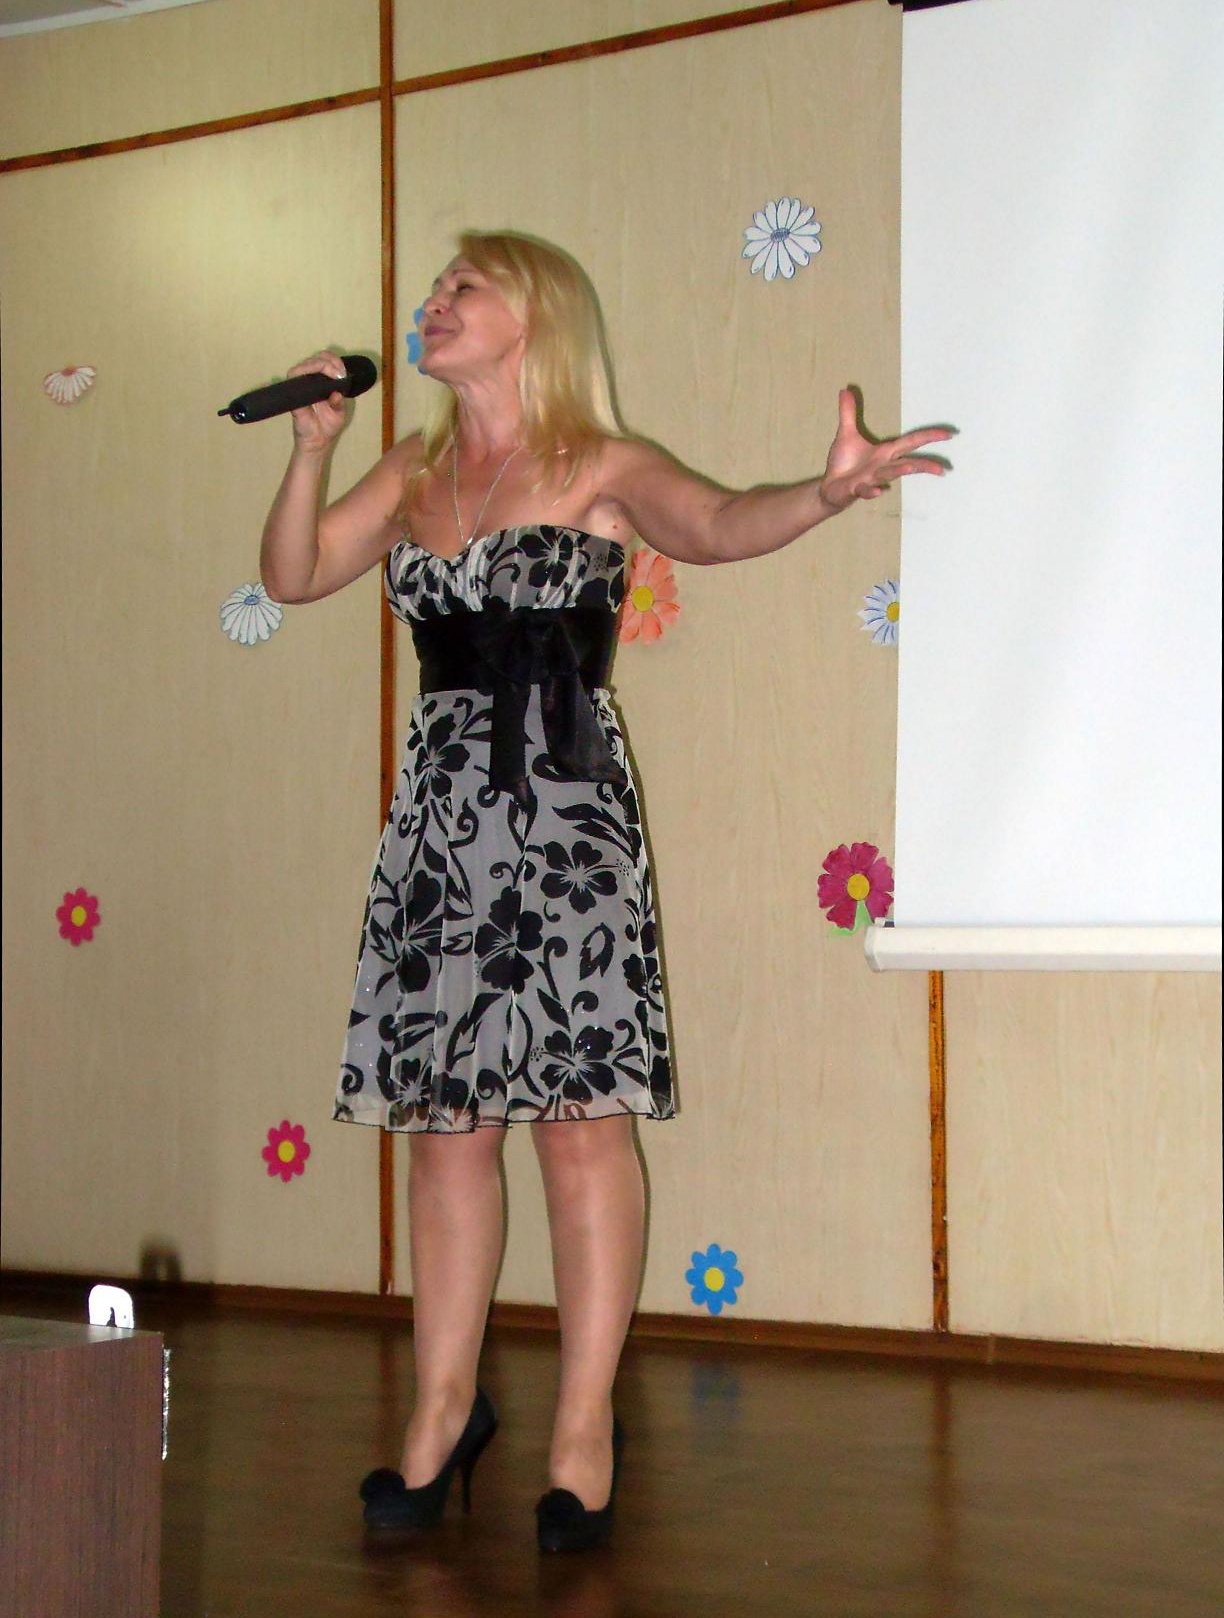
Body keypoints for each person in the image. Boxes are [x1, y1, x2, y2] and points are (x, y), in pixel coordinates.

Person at [259, 229, 953, 1552]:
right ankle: (443, 1410)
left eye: (462, 288)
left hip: (568, 819)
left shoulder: (602, 465)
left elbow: (722, 523)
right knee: (446, 1126)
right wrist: (308, 452)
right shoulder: (408, 470)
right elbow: (291, 576)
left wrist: (828, 492)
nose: (431, 304)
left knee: (580, 1124)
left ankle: (583, 1426)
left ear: (536, 316)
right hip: (446, 824)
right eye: (432, 289)